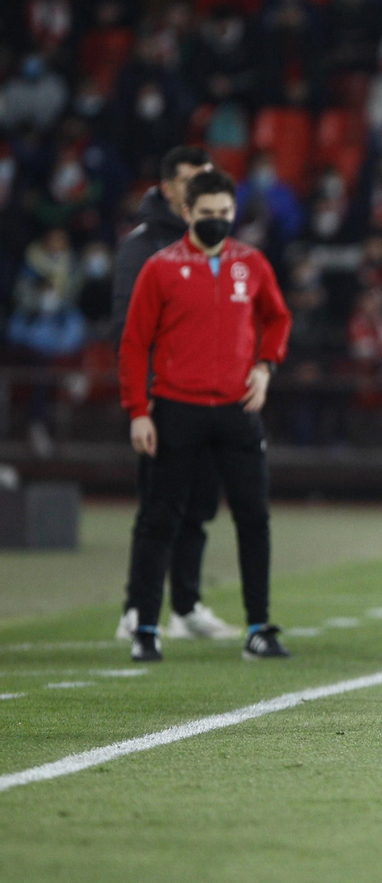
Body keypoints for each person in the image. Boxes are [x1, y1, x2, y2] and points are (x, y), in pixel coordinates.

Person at [118, 170, 292, 663]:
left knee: (254, 518)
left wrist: (265, 366)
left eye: (224, 213)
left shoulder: (251, 263)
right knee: (159, 520)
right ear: (187, 213)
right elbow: (134, 343)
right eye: (207, 213)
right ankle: (145, 629)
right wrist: (138, 411)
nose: (217, 221)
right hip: (177, 409)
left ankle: (258, 628)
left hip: (237, 410)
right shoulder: (160, 268)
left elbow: (278, 317)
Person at [110, 146, 239, 643]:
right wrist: (142, 404)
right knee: (158, 509)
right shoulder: (142, 246)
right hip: (164, 398)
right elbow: (128, 331)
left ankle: (185, 606)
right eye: (190, 181)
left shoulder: (213, 245)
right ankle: (135, 611)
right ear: (167, 189)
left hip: (210, 398)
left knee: (200, 506)